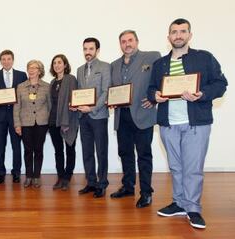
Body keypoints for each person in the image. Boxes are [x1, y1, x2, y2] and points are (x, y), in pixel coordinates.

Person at [148, 18, 227, 229]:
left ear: (190, 35)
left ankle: (193, 208)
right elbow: (151, 89)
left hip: (196, 124)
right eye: (174, 32)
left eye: (183, 31)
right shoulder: (160, 64)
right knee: (176, 167)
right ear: (169, 37)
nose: (178, 35)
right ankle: (179, 202)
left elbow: (221, 84)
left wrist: (202, 94)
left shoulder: (204, 58)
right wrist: (155, 95)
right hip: (168, 124)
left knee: (192, 168)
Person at [110, 30, 161, 208]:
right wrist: (111, 101)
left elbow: (162, 78)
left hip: (142, 115)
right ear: (120, 44)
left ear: (137, 41)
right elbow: (112, 89)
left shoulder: (152, 57)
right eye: (123, 41)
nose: (127, 44)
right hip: (121, 116)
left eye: (130, 40)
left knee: (144, 155)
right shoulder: (114, 65)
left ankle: (146, 192)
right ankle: (128, 186)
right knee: (125, 153)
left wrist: (154, 97)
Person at [75, 37, 111, 198]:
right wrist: (76, 105)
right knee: (87, 151)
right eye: (85, 49)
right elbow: (80, 93)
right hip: (83, 117)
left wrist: (92, 107)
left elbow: (106, 91)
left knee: (101, 151)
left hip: (99, 116)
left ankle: (102, 184)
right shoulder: (79, 69)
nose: (87, 52)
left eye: (90, 49)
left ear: (97, 50)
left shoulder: (105, 67)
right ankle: (91, 182)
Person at [0, 50, 27, 184]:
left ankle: (16, 173)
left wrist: (14, 98)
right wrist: (3, 98)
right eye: (3, 59)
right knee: (0, 146)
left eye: (8, 59)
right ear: (0, 61)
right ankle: (0, 173)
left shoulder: (22, 75)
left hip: (16, 117)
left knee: (16, 146)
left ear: (13, 60)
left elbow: (24, 94)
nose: (6, 61)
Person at [14, 60, 51, 188]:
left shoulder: (46, 86)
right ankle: (29, 176)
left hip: (41, 123)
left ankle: (36, 176)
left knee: (38, 150)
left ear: (39, 71)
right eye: (29, 67)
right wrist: (17, 124)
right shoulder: (20, 86)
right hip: (25, 123)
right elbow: (16, 107)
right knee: (28, 150)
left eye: (34, 68)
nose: (31, 70)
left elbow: (50, 106)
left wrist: (49, 124)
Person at [48, 54, 78, 191]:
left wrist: (66, 122)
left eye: (60, 62)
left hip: (68, 121)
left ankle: (67, 177)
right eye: (54, 63)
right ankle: (60, 176)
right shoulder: (52, 83)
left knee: (70, 149)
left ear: (65, 65)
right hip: (53, 122)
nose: (57, 65)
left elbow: (73, 101)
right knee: (58, 151)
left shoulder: (71, 79)